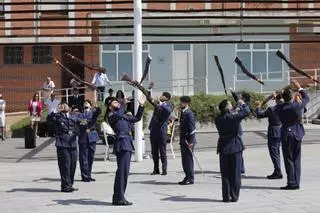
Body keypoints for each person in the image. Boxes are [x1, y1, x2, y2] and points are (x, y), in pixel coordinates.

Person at [107, 96, 145, 206]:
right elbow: (118, 114)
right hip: (121, 143)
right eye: (115, 102)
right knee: (122, 172)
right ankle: (119, 197)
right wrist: (123, 103)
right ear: (110, 107)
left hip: (127, 143)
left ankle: (118, 196)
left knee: (123, 172)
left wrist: (141, 106)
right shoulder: (112, 115)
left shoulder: (123, 115)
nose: (117, 103)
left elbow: (137, 118)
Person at [275, 80, 309, 190]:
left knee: (288, 159)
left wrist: (278, 94)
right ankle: (296, 182)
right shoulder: (297, 106)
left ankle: (291, 182)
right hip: (297, 132)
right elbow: (306, 98)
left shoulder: (280, 108)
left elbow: (278, 100)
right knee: (296, 159)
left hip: (286, 133)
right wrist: (299, 87)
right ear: (291, 97)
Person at [215, 98, 250, 202]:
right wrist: (242, 103)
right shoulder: (232, 118)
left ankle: (226, 196)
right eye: (230, 105)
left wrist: (234, 110)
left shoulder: (217, 118)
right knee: (235, 174)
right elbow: (247, 111)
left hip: (223, 147)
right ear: (226, 107)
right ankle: (234, 196)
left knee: (225, 173)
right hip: (234, 146)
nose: (232, 106)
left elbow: (229, 115)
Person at [255, 93, 283, 179]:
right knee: (277, 152)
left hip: (274, 131)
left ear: (276, 99)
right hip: (283, 130)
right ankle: (277, 170)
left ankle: (278, 172)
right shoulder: (287, 107)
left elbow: (260, 114)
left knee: (274, 152)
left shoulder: (272, 109)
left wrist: (258, 106)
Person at [54, 102, 79, 193]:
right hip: (62, 143)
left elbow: (80, 124)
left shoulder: (73, 116)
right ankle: (65, 186)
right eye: (62, 105)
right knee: (65, 165)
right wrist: (57, 112)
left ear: (70, 107)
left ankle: (70, 184)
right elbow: (50, 119)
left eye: (66, 105)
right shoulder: (57, 116)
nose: (64, 106)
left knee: (73, 165)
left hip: (72, 143)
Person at [149, 92, 173, 175]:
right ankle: (156, 169)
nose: (160, 96)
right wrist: (149, 90)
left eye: (162, 95)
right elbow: (149, 99)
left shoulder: (169, 105)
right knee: (154, 151)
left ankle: (164, 168)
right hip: (153, 130)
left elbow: (168, 111)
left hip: (161, 130)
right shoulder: (157, 104)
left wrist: (161, 103)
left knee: (162, 150)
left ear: (167, 98)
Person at [77, 100, 101, 182]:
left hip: (92, 137)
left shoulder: (92, 113)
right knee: (83, 157)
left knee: (90, 157)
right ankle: (84, 176)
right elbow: (78, 120)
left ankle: (89, 174)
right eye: (84, 103)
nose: (86, 104)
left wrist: (97, 107)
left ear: (90, 106)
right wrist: (82, 121)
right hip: (83, 136)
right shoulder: (80, 114)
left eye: (87, 103)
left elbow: (98, 112)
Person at [178, 96, 197, 185]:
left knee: (188, 160)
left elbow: (192, 129)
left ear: (186, 103)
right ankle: (187, 176)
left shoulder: (189, 114)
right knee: (184, 160)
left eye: (181, 102)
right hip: (183, 140)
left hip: (188, 141)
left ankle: (190, 178)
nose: (180, 103)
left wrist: (191, 142)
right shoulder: (183, 112)